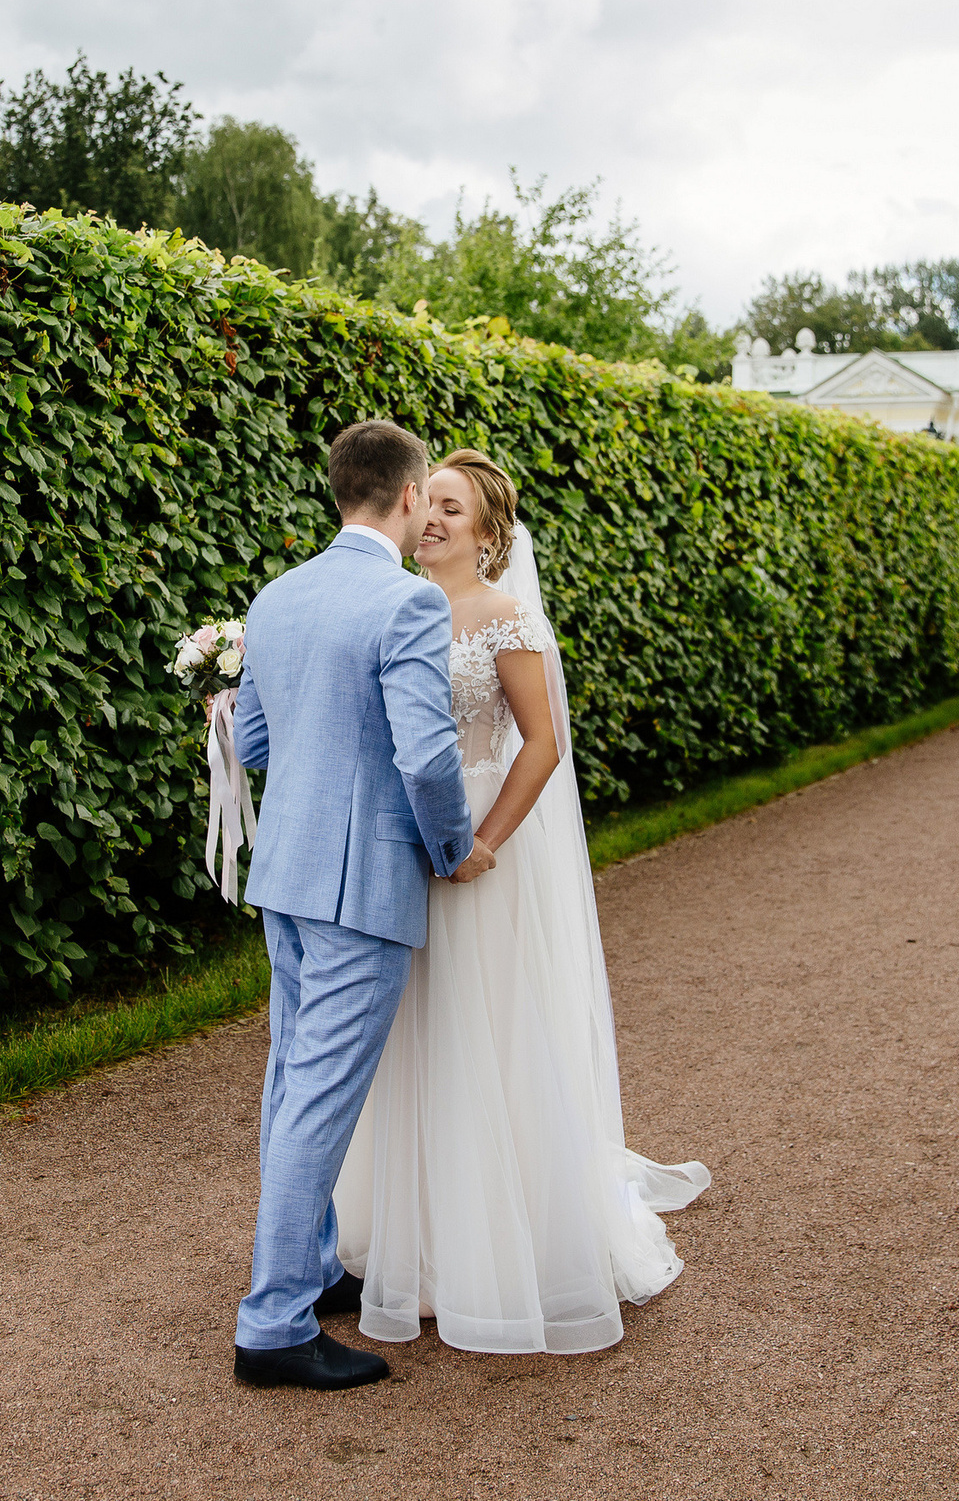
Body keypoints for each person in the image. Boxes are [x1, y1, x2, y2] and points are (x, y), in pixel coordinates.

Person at [333, 448, 710, 1354]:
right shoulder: (395, 608)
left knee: (489, 1029)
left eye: (453, 511)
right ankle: (407, 1240)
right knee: (410, 1032)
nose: (432, 522)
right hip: (403, 852)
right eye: (429, 505)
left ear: (489, 533)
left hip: (480, 861)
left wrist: (486, 840)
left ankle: (500, 1244)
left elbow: (542, 744)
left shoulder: (507, 619)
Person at [225, 420, 492, 1391]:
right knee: (320, 1097)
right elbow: (425, 757)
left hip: (287, 876)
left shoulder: (279, 595)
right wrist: (454, 850)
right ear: (412, 494)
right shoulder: (408, 603)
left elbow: (253, 742)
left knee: (292, 1078)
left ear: (340, 491)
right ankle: (272, 1326)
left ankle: (314, 1270)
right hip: (360, 885)